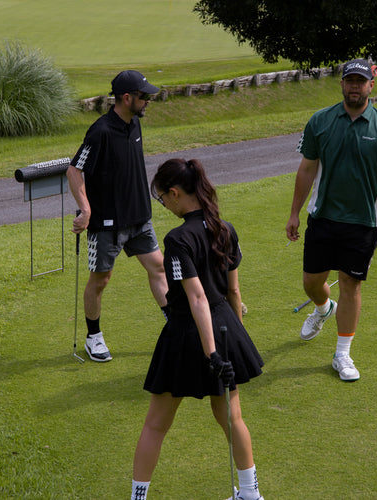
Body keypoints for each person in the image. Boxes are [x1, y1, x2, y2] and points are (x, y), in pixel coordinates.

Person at [131, 159, 264, 500]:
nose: (164, 205)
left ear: (175, 193)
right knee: (232, 419)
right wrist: (235, 338)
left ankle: (138, 498)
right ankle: (250, 494)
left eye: (163, 199)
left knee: (155, 424)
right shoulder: (225, 227)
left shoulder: (177, 239)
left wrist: (214, 355)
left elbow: (197, 297)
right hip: (224, 328)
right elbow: (233, 292)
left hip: (188, 335)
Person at [285, 59, 377, 382]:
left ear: (371, 86)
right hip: (323, 217)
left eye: (360, 81)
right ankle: (324, 308)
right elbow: (307, 169)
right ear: (341, 84)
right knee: (312, 282)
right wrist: (295, 212)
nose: (354, 86)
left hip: (363, 222)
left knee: (351, 285)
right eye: (349, 80)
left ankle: (342, 354)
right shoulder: (321, 121)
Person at [67, 70, 168, 362]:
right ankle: (93, 337)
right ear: (127, 98)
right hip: (107, 225)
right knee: (101, 279)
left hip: (139, 218)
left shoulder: (135, 123)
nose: (148, 101)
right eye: (144, 96)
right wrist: (86, 209)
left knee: (158, 268)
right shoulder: (100, 132)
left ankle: (175, 324)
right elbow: (74, 170)